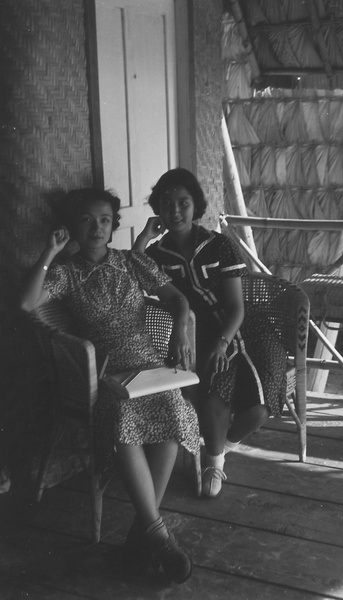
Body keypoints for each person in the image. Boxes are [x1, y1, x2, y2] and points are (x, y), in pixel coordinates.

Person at [20, 188, 200, 584]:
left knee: (172, 405)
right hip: (105, 370)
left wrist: (180, 334)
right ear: (72, 227)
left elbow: (177, 299)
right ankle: (156, 534)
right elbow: (26, 305)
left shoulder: (134, 260)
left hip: (148, 363)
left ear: (113, 225)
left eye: (104, 220)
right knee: (120, 413)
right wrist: (49, 253)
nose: (97, 228)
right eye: (86, 220)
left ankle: (144, 533)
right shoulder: (66, 273)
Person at [134, 168, 287, 499]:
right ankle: (213, 462)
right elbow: (133, 276)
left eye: (183, 202)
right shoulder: (156, 256)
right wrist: (143, 239)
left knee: (259, 409)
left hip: (246, 330)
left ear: (196, 205)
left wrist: (222, 343)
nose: (175, 211)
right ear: (157, 209)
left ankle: (218, 449)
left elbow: (236, 307)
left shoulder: (219, 245)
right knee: (215, 397)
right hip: (198, 335)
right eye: (166, 203)